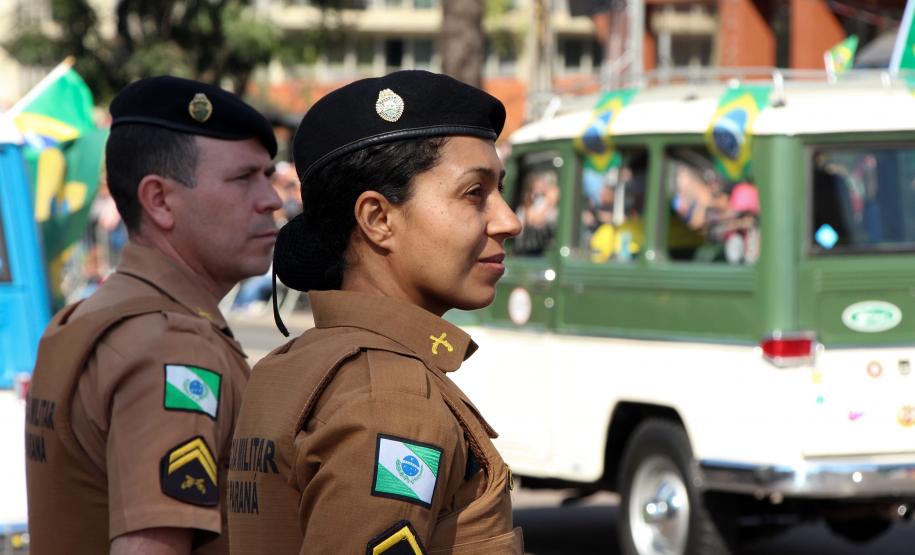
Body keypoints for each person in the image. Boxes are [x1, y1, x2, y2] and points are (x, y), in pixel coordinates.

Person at [228, 70, 525, 554]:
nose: (509, 220)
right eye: (476, 194)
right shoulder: (393, 399)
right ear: (378, 219)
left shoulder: (292, 366)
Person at [25, 75, 281, 554]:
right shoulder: (174, 345)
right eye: (244, 178)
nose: (272, 199)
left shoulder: (94, 314)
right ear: (159, 200)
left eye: (267, 175)